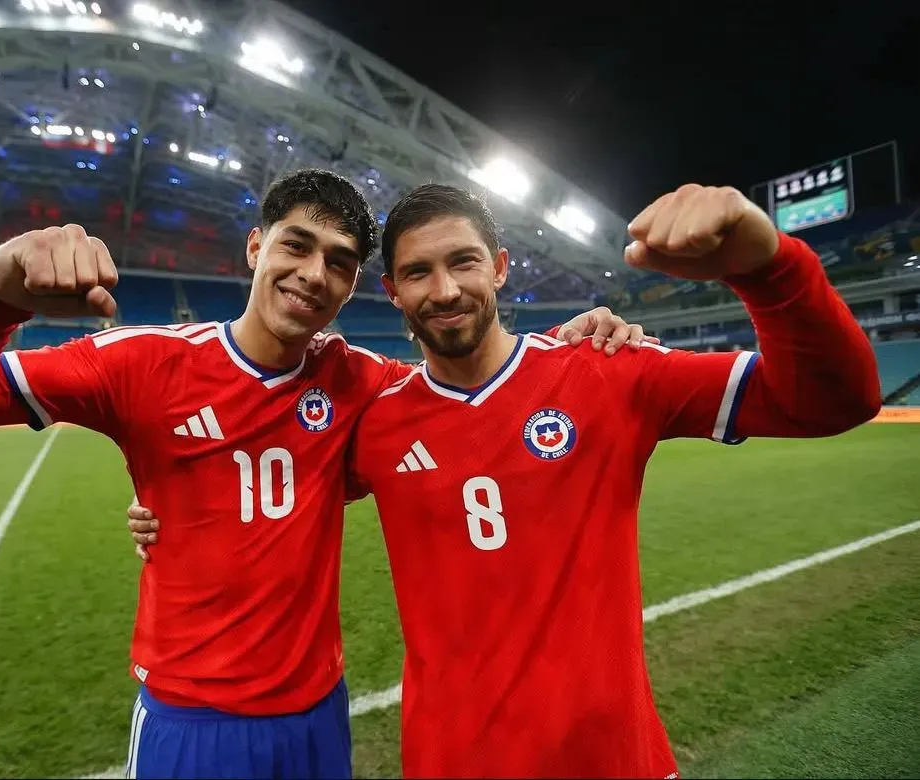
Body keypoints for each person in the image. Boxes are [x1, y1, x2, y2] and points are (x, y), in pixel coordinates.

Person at [0, 168, 649, 780]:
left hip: (318, 716)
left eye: (340, 264)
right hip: (191, 721)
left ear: (356, 287)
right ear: (256, 247)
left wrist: (582, 336)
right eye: (297, 245)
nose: (313, 274)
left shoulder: (361, 382)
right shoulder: (143, 362)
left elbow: (473, 381)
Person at [129, 182, 881, 778]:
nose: (446, 289)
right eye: (419, 272)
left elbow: (833, 400)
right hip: (449, 763)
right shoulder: (379, 424)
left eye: (462, 262)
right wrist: (166, 507)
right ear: (392, 291)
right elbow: (271, 478)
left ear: (499, 264)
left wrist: (768, 265)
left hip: (613, 763)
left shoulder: (611, 375)